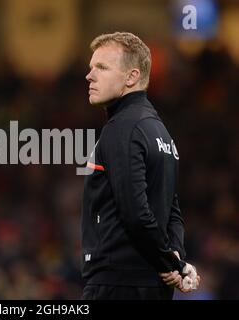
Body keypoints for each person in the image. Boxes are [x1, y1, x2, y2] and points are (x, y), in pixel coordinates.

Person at [81, 32, 200, 300]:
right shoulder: (159, 130)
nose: (89, 76)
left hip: (117, 283)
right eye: (91, 68)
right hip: (153, 285)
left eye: (101, 67)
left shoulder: (121, 129)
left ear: (131, 77)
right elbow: (173, 210)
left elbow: (135, 211)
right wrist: (174, 259)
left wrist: (172, 264)